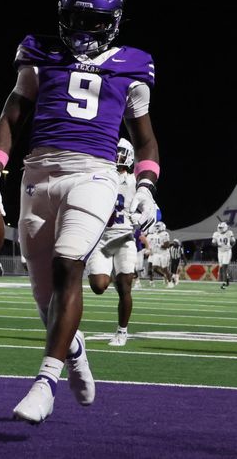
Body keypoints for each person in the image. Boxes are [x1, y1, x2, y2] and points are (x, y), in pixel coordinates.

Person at [0, 0, 159, 425]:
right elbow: (12, 116)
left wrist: (147, 186)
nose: (83, 29)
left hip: (94, 174)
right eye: (76, 19)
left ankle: (45, 383)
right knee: (43, 296)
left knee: (68, 265)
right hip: (37, 174)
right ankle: (73, 350)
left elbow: (145, 140)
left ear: (112, 22)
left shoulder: (133, 64)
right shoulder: (39, 51)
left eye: (94, 22)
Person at [85, 139, 140, 346]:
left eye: (121, 152)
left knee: (125, 287)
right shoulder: (98, 176)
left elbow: (152, 208)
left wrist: (141, 217)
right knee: (98, 286)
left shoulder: (135, 182)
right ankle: (111, 274)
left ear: (129, 156)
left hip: (124, 237)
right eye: (115, 151)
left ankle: (122, 331)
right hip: (101, 238)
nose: (117, 156)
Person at [212, 221, 235, 289]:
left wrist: (230, 246)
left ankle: (225, 283)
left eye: (221, 227)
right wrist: (216, 244)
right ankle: (227, 279)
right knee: (221, 267)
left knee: (225, 266)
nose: (220, 229)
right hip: (220, 252)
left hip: (227, 251)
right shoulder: (216, 234)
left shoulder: (229, 233)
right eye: (219, 227)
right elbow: (213, 243)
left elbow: (233, 241)